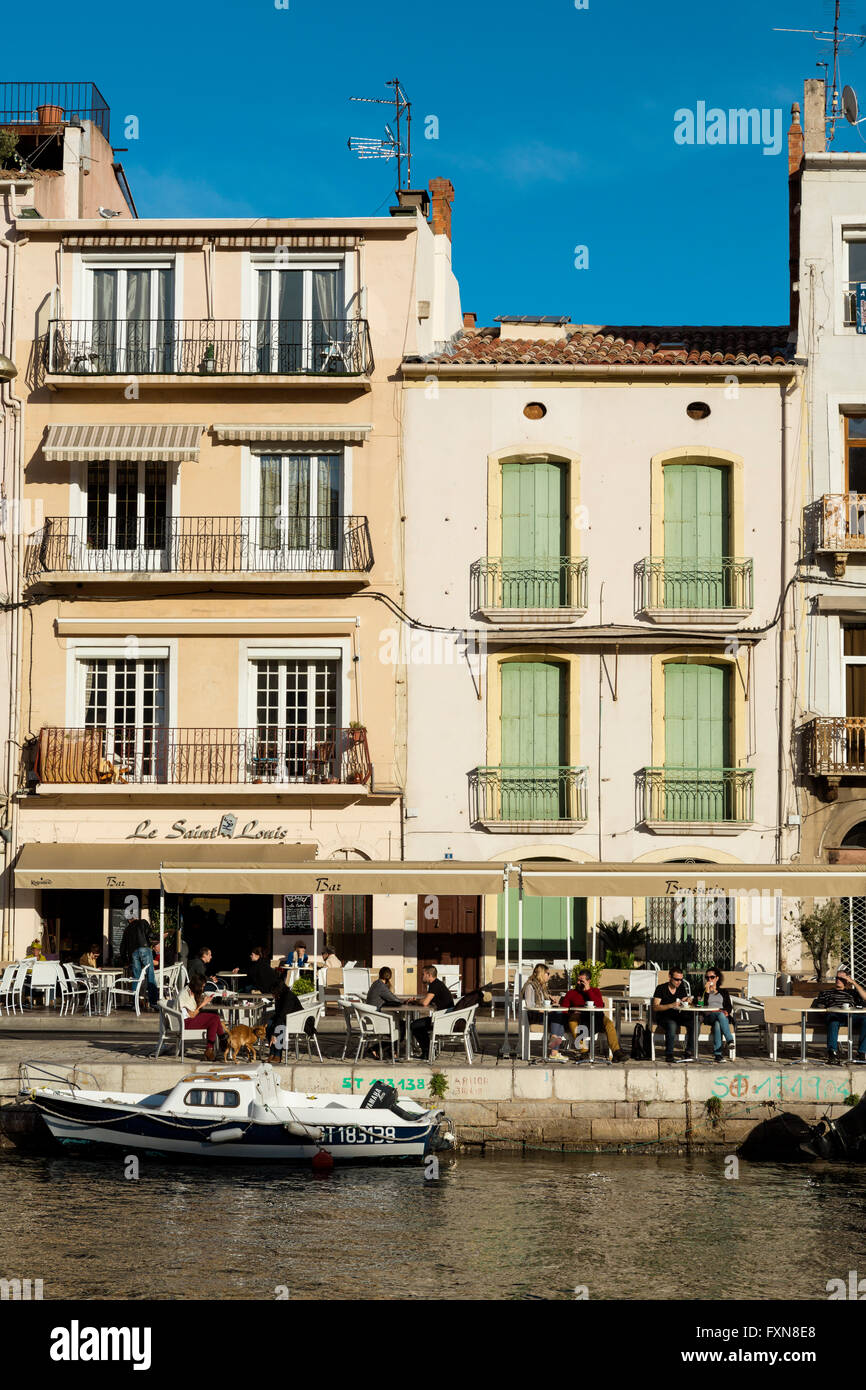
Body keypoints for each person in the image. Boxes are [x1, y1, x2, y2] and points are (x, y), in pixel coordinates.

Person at [560, 969, 626, 1062]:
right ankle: (584, 1051)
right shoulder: (571, 993)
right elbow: (563, 1009)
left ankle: (616, 1052)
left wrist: (588, 990)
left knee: (609, 1023)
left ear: (588, 981)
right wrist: (572, 1012)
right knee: (572, 1021)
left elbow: (599, 1005)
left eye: (582, 981)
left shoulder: (595, 991)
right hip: (580, 1018)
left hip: (596, 1017)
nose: (579, 983)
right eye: (578, 980)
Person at [812, 969, 866, 1063]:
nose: (838, 980)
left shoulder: (852, 993)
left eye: (841, 978)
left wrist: (854, 982)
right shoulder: (826, 992)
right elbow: (819, 1006)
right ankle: (832, 1053)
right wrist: (825, 1011)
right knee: (833, 1020)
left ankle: (862, 1053)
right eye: (837, 978)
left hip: (851, 1016)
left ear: (847, 980)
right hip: (835, 1014)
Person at [521, 963, 569, 1062]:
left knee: (561, 1018)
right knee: (559, 1016)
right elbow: (530, 1005)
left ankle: (554, 1047)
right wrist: (542, 1009)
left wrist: (551, 1000)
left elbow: (543, 1001)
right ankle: (554, 1050)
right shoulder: (530, 986)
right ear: (541, 974)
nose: (549, 975)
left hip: (544, 1014)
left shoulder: (542, 987)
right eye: (547, 973)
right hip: (536, 1016)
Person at [410, 964, 456, 1059]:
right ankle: (428, 1052)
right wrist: (418, 1001)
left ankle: (428, 1053)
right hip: (445, 1017)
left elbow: (425, 1002)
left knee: (414, 1025)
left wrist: (415, 1001)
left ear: (429, 975)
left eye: (423, 974)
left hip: (444, 1020)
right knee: (418, 1025)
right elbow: (428, 1000)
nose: (421, 976)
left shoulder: (434, 985)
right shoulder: (436, 984)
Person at [178, 978, 228, 1061]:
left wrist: (203, 1001)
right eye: (202, 986)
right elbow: (192, 1014)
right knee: (214, 1018)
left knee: (214, 1016)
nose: (202, 989)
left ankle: (215, 1046)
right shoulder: (186, 995)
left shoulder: (187, 990)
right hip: (185, 1022)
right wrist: (204, 1003)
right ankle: (220, 1043)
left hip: (185, 1020)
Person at [267, 977, 315, 1060]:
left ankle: (278, 1055)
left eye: (273, 993)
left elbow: (282, 1015)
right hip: (287, 1018)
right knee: (269, 1024)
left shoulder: (288, 997)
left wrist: (274, 1034)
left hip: (297, 1021)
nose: (272, 995)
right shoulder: (279, 996)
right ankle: (272, 1052)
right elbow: (279, 1013)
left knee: (279, 1027)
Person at [652, 967, 692, 1063]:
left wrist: (687, 1001)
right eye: (677, 979)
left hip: (678, 1015)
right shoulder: (661, 988)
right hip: (664, 1016)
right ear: (670, 977)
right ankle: (669, 1053)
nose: (679, 982)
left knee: (694, 1022)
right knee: (672, 1024)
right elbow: (655, 1007)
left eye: (681, 979)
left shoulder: (681, 988)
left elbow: (684, 1002)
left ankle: (689, 1051)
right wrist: (671, 1005)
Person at [700, 968, 735, 1062]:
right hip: (709, 1016)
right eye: (707, 977)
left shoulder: (724, 991)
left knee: (718, 1024)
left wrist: (727, 1011)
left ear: (717, 978)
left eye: (712, 977)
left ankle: (718, 1055)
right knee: (720, 1014)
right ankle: (730, 1040)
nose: (709, 980)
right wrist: (707, 991)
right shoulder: (703, 991)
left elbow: (728, 1006)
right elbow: (701, 1005)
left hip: (721, 1016)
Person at [123, 917, 158, 1011]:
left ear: (128, 920)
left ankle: (136, 1003)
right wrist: (157, 937)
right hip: (144, 948)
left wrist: (125, 960)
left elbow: (123, 946)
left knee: (136, 977)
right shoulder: (142, 922)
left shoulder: (127, 929)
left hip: (133, 952)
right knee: (150, 974)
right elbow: (150, 934)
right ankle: (154, 1002)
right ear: (135, 917)